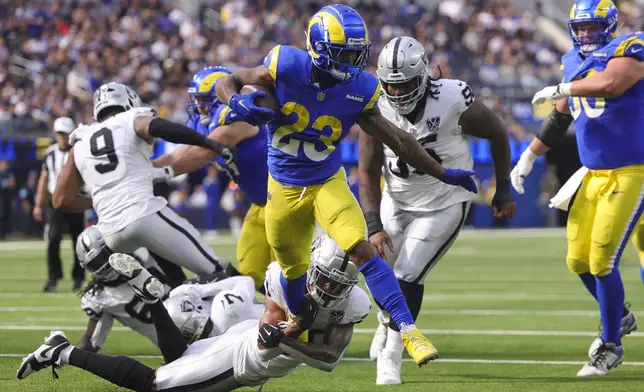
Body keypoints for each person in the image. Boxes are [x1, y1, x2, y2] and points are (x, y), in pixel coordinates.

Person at [214, 4, 478, 366]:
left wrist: (443, 173)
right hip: (283, 190)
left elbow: (399, 140)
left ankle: (408, 330)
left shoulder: (361, 88)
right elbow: (225, 81)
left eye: (358, 53)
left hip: (326, 181)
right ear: (319, 48)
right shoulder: (285, 65)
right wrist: (237, 99)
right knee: (292, 272)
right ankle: (300, 321)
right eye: (345, 54)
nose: (354, 63)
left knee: (362, 249)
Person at [17, 235, 371, 392]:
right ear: (311, 269)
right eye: (322, 279)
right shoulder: (283, 277)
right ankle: (62, 350)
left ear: (350, 282)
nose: (327, 289)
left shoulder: (354, 303)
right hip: (243, 357)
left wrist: (296, 329)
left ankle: (155, 301)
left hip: (246, 342)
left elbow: (329, 358)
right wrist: (288, 331)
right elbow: (268, 337)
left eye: (336, 284)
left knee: (179, 359)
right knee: (156, 384)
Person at [359, 36, 516, 385]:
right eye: (391, 86)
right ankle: (385, 326)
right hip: (396, 199)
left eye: (406, 85)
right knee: (380, 273)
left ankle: (392, 352)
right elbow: (367, 170)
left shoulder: (451, 98)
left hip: (445, 200)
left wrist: (503, 187)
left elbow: (497, 131)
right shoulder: (373, 104)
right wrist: (373, 224)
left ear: (424, 75)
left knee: (407, 275)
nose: (397, 94)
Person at [510, 0, 644, 376]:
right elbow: (563, 113)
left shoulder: (629, 48)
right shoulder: (571, 61)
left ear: (611, 25)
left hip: (632, 171)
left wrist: (560, 86)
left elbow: (610, 84)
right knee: (578, 261)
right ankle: (620, 316)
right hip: (592, 173)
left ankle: (611, 345)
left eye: (593, 26)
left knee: (603, 261)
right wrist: (529, 156)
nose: (586, 34)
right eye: (581, 28)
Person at [52, 82, 235, 280]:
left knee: (173, 284)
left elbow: (60, 200)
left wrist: (98, 199)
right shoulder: (130, 118)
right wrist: (208, 142)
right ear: (129, 101)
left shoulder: (80, 142)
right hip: (144, 214)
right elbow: (159, 127)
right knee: (217, 270)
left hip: (110, 233)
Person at [153, 66, 272, 291]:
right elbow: (179, 153)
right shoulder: (202, 121)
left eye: (203, 100)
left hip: (284, 199)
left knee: (286, 271)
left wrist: (158, 174)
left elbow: (203, 153)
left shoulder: (237, 118)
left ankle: (310, 316)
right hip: (259, 203)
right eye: (196, 100)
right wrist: (146, 168)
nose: (198, 107)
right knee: (251, 272)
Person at [75, 225, 260, 352]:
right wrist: (75, 352)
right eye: (95, 263)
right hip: (176, 337)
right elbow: (92, 340)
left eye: (105, 257)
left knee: (218, 275)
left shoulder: (143, 252)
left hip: (193, 306)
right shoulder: (98, 298)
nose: (103, 267)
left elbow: (178, 269)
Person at [34, 117, 86, 292]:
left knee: (79, 241)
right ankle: (53, 278)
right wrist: (38, 204)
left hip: (75, 200)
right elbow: (44, 179)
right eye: (59, 134)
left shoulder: (80, 152)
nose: (62, 137)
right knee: (53, 239)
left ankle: (78, 278)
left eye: (64, 134)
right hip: (55, 203)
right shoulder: (50, 153)